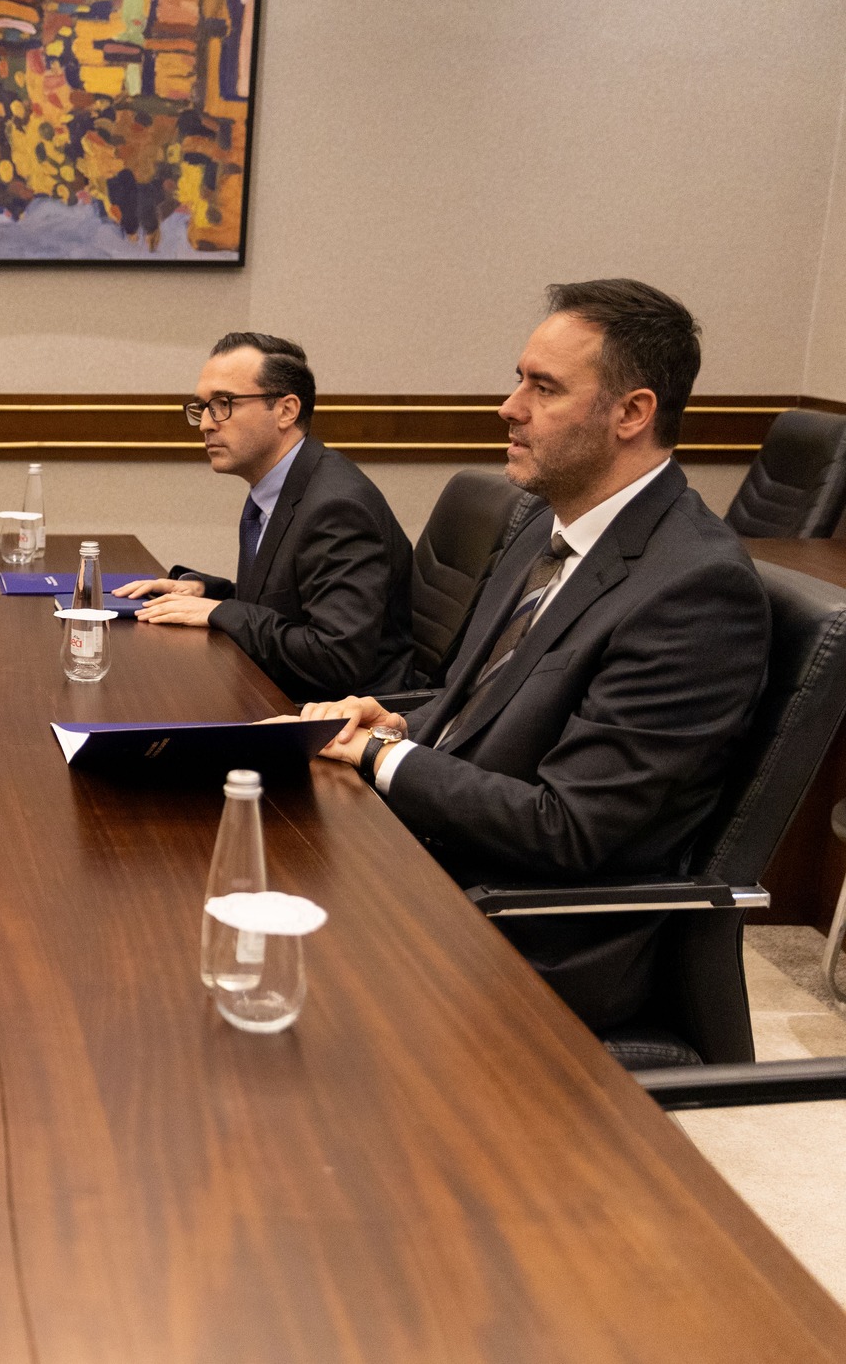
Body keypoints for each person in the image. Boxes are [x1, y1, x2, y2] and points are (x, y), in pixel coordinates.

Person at [299, 279, 769, 1030]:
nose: (509, 407)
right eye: (519, 379)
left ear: (632, 413)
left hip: (528, 941)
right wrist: (395, 719)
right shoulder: (540, 527)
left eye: (543, 388)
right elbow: (488, 700)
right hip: (436, 863)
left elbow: (569, 827)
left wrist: (384, 757)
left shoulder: (696, 590)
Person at [113, 333, 414, 701]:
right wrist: (207, 592)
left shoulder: (336, 508)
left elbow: (336, 658)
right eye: (202, 407)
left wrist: (222, 612)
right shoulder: (280, 486)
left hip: (332, 714)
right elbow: (289, 606)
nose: (205, 423)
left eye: (223, 404)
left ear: (286, 411)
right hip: (277, 690)